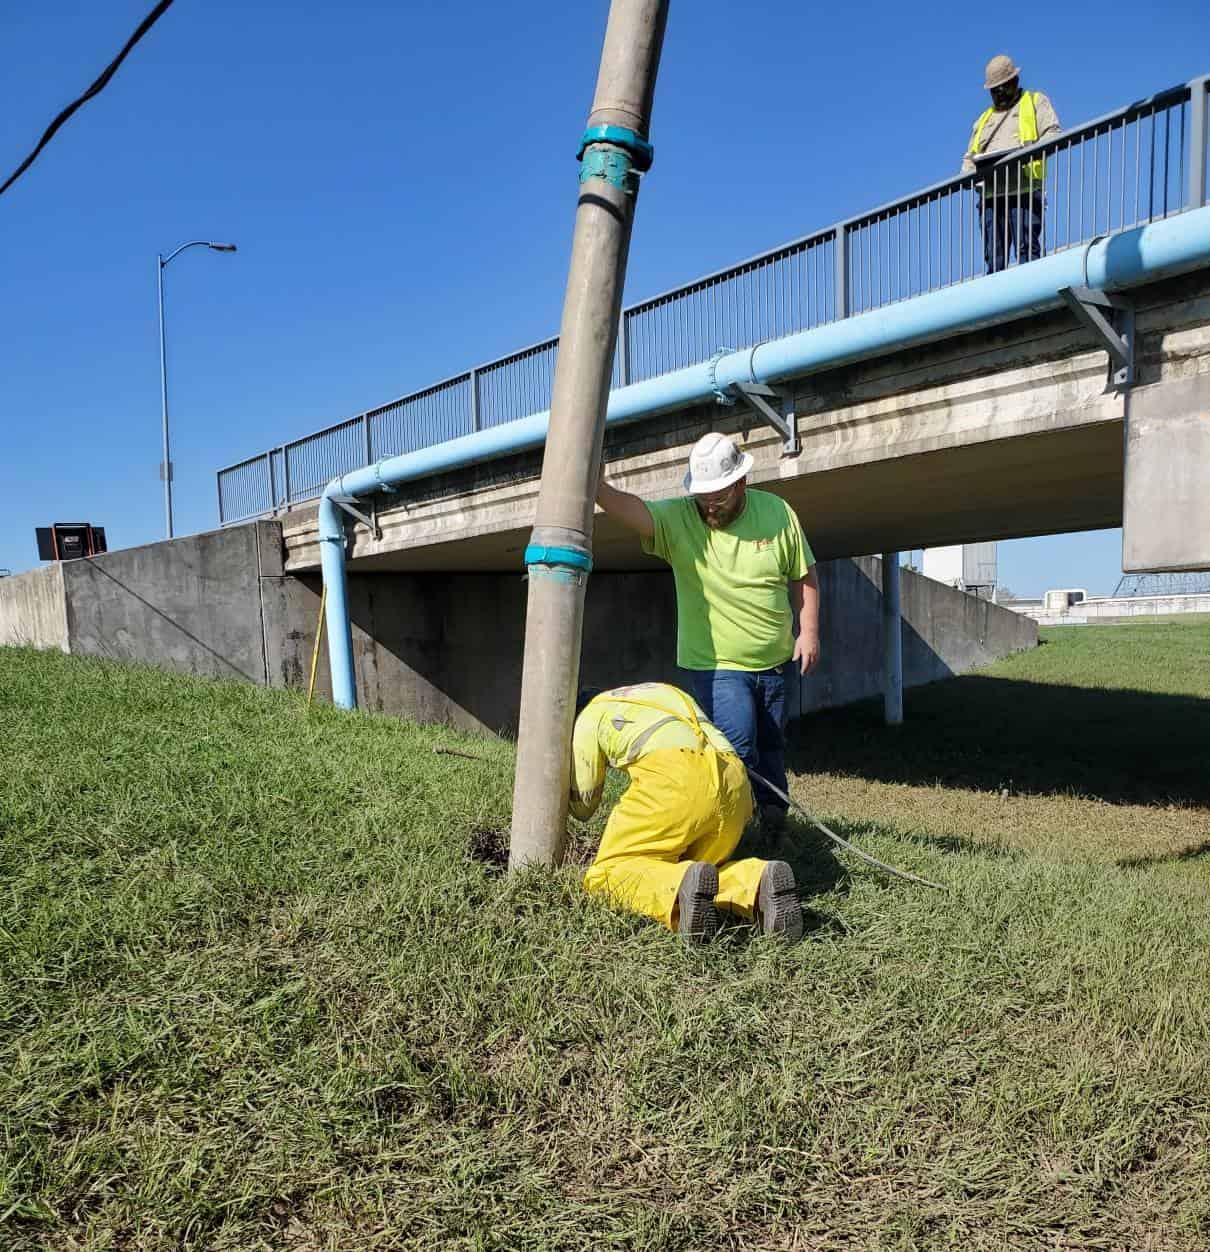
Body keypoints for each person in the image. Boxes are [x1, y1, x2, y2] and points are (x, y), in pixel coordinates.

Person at [595, 431, 820, 831]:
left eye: (719, 494)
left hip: (776, 662)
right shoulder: (680, 518)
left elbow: (804, 575)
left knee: (771, 746)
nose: (710, 503)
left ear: (741, 482)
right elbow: (636, 512)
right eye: (704, 495)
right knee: (736, 749)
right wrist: (598, 488)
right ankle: (734, 830)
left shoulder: (777, 513)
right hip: (717, 666)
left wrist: (809, 632)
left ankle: (773, 823)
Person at [571, 681, 802, 943]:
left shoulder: (589, 715)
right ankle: (757, 882)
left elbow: (584, 803)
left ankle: (679, 887)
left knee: (608, 873)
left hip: (676, 778)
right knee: (703, 871)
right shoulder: (660, 690)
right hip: (734, 781)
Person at [961, 55, 1060, 273]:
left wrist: (1027, 153)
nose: (999, 94)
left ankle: (1032, 297)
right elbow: (969, 157)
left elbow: (1053, 134)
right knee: (994, 259)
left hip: (1023, 190)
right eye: (994, 90)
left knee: (1027, 252)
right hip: (991, 198)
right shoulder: (984, 119)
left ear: (1014, 81)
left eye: (1003, 87)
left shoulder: (1035, 102)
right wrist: (969, 176)